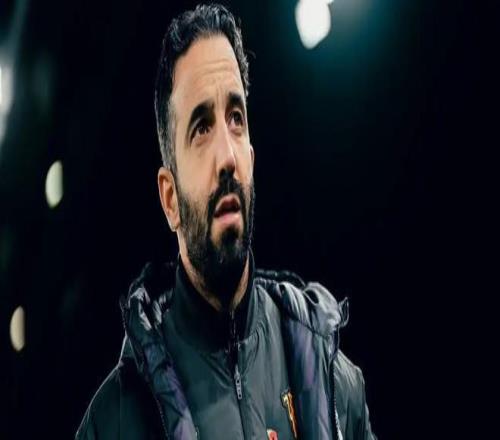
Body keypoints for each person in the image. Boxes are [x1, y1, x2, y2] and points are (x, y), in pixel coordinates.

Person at [76, 4, 376, 439]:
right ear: (170, 198)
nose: (227, 157)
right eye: (201, 128)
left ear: (251, 156)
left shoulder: (337, 388)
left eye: (236, 119)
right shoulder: (114, 423)